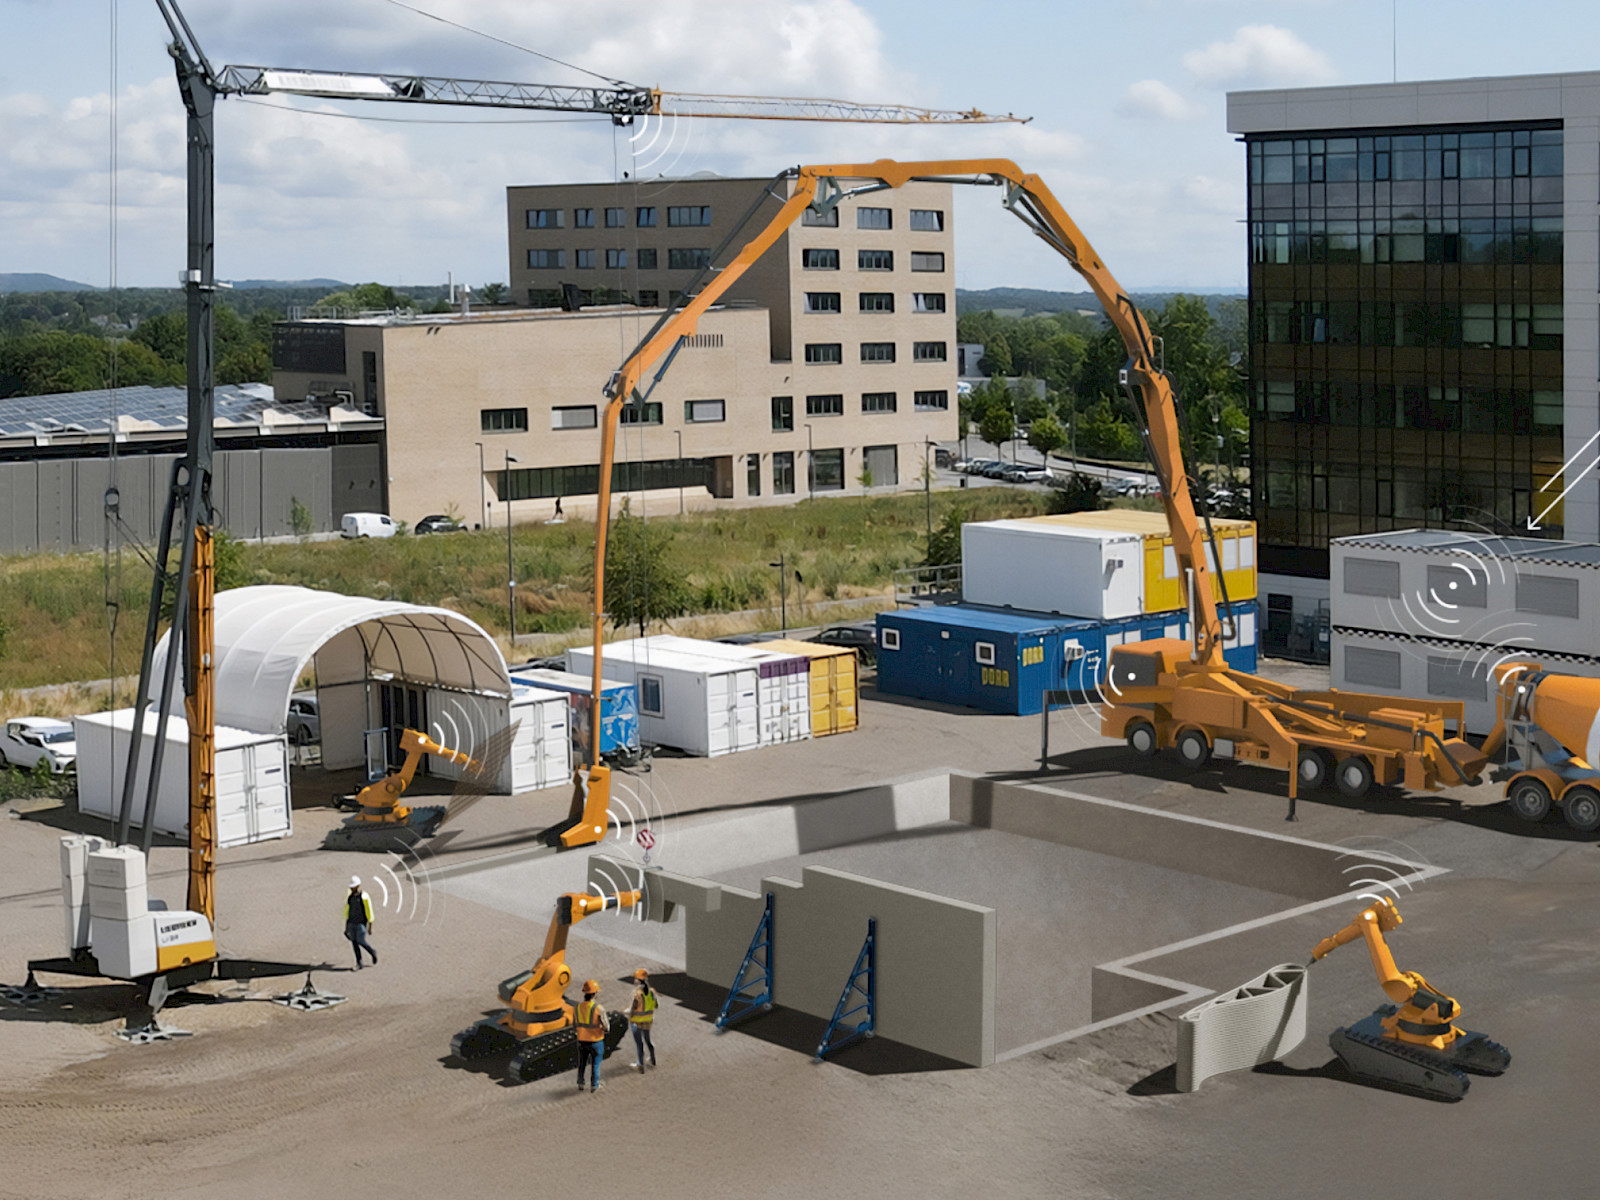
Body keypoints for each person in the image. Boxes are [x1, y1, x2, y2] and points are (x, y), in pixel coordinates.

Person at [574, 979, 607, 1092]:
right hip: (596, 1041)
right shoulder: (599, 1008)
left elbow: (576, 1023)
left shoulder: (578, 1007)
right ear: (595, 994)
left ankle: (581, 1083)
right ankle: (594, 1085)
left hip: (582, 1040)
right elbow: (607, 1027)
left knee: (582, 1062)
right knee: (596, 1063)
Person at [344, 876, 377, 969]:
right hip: (351, 923)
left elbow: (369, 911)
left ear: (358, 886)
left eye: (353, 886)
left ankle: (372, 952)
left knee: (360, 941)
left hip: (361, 924)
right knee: (354, 943)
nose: (351, 888)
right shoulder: (350, 897)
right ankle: (359, 963)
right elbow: (347, 911)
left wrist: (370, 926)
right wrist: (346, 927)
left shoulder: (364, 897)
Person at [629, 968, 658, 1072]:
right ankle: (652, 1059)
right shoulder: (652, 992)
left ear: (638, 980)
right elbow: (656, 1005)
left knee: (639, 1043)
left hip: (636, 1022)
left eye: (635, 978)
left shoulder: (637, 994)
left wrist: (628, 1014)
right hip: (648, 1021)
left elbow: (633, 1009)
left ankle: (640, 1064)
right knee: (648, 1040)